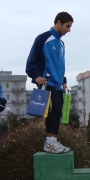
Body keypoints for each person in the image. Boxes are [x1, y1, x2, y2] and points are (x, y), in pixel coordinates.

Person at [26, 11, 73, 154]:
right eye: (67, 26)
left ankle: (54, 140)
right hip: (47, 82)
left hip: (58, 83)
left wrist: (64, 81)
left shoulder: (62, 44)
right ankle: (49, 142)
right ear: (58, 22)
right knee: (55, 108)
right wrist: (36, 76)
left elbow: (60, 65)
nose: (69, 30)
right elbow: (31, 62)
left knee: (58, 110)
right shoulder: (43, 39)